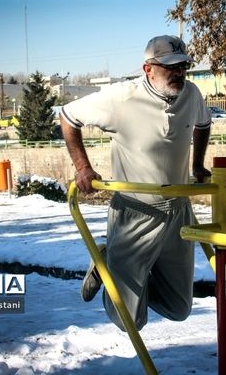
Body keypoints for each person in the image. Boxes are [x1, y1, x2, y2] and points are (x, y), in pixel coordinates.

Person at [60, 35, 212, 331]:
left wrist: (197, 165)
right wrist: (83, 168)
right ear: (148, 69)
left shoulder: (191, 94)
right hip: (136, 211)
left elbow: (203, 124)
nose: (179, 72)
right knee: (129, 319)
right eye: (171, 67)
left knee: (178, 307)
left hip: (179, 210)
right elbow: (67, 117)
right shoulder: (121, 98)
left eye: (183, 66)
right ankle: (110, 268)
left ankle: (113, 269)